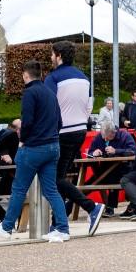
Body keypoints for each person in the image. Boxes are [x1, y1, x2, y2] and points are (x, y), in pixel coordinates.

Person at [0, 61, 70, 242]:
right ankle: (62, 229)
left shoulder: (30, 93)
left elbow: (27, 121)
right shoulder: (50, 93)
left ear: (25, 75)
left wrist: (22, 141)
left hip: (33, 148)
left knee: (19, 188)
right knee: (51, 190)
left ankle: (6, 227)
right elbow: (60, 122)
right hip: (54, 146)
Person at [43, 40, 105, 235]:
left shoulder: (52, 78)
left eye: (53, 54)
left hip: (61, 132)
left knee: (54, 180)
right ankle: (58, 224)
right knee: (60, 178)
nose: (51, 58)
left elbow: (48, 107)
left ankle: (91, 207)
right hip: (80, 131)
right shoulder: (84, 78)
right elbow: (89, 106)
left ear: (59, 55)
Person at [86, 119, 136, 217]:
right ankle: (72, 202)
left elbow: (134, 152)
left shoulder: (125, 136)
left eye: (107, 137)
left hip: (123, 170)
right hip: (104, 172)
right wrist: (94, 153)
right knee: (89, 184)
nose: (105, 139)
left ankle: (110, 207)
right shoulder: (99, 137)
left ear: (114, 132)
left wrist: (116, 151)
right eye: (103, 137)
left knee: (115, 175)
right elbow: (89, 153)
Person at [0, 119, 21, 222]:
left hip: (16, 183)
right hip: (9, 181)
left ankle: (6, 219)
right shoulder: (12, 139)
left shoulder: (23, 144)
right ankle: (4, 218)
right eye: (20, 129)